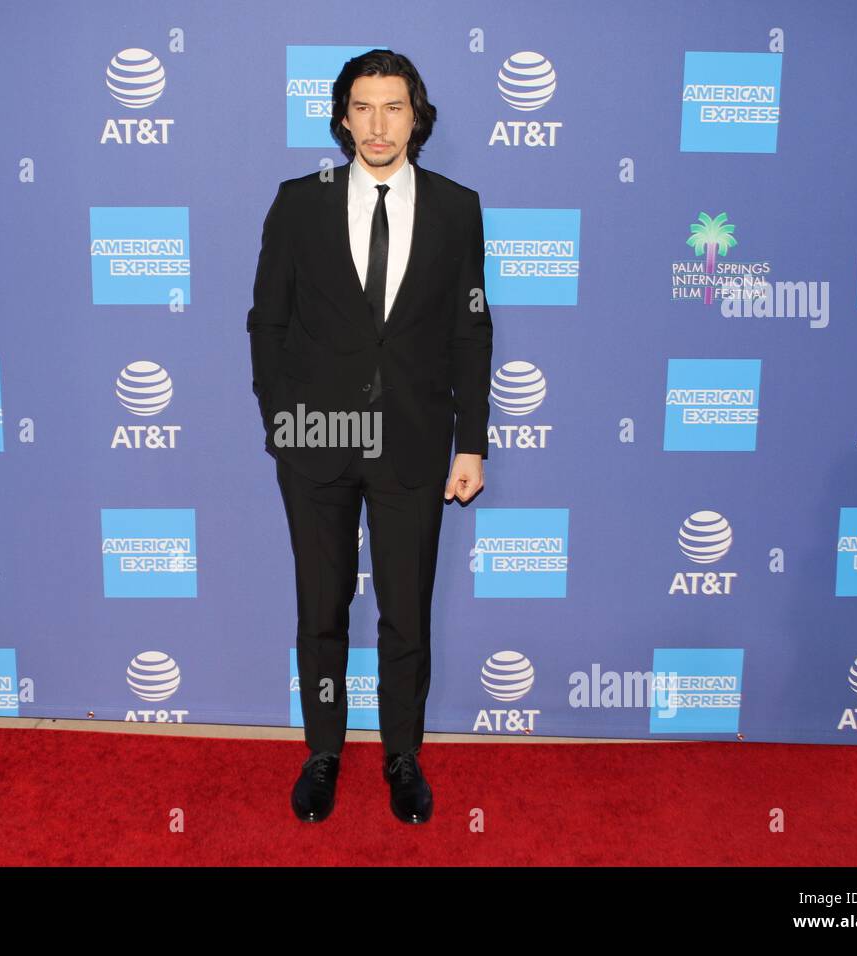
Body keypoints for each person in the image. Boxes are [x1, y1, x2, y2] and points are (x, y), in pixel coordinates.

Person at [246, 49, 492, 824]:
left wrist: (471, 441)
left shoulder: (457, 207)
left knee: (404, 613)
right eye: (363, 107)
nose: (378, 125)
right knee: (320, 610)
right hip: (315, 443)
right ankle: (322, 752)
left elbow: (471, 334)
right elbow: (268, 323)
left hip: (414, 447)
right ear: (342, 116)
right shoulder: (299, 202)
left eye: (393, 107)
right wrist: (282, 421)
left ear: (416, 116)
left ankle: (401, 756)